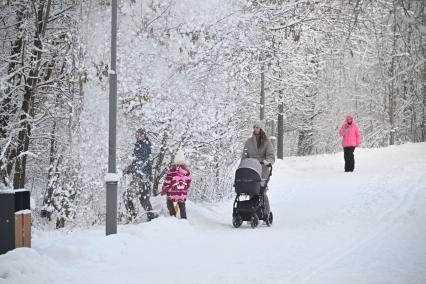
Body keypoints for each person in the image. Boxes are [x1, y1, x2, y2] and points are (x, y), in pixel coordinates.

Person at [241, 121, 275, 215]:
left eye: (258, 127)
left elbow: (271, 156)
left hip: (262, 169)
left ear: (261, 129)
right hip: (251, 169)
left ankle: (266, 212)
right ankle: (251, 211)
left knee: (261, 191)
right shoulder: (249, 142)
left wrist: (268, 161)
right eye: (255, 127)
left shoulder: (266, 142)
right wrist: (242, 166)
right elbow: (244, 156)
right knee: (251, 190)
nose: (256, 129)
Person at [123, 128, 157, 221]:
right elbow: (137, 161)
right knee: (143, 199)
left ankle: (133, 217)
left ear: (143, 135)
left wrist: (129, 168)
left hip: (143, 177)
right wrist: (129, 169)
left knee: (128, 196)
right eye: (136, 134)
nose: (136, 136)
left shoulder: (145, 145)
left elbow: (141, 161)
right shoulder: (139, 145)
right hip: (141, 176)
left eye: (138, 134)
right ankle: (151, 219)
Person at [161, 149, 192, 219]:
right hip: (182, 194)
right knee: (182, 205)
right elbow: (189, 181)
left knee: (169, 203)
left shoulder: (171, 172)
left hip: (172, 194)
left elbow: (167, 183)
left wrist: (164, 190)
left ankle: (173, 217)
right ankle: (184, 219)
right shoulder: (187, 172)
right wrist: (185, 188)